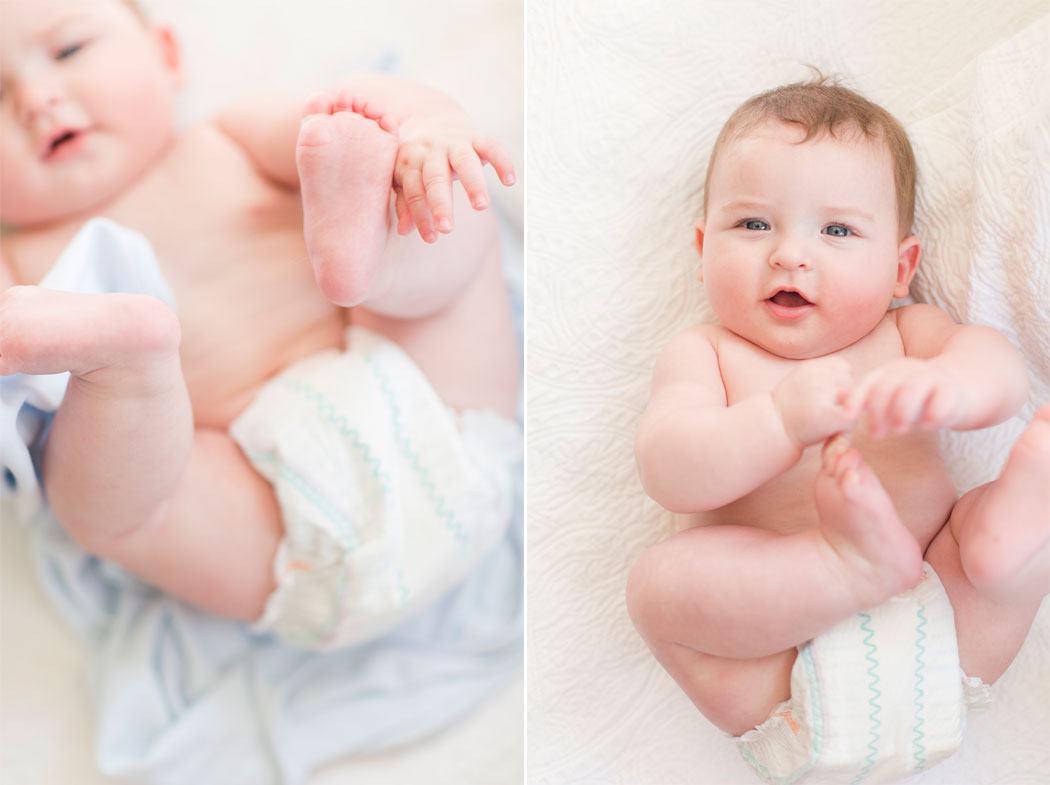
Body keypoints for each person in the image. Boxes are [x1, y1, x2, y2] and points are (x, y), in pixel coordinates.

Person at [0, 0, 520, 647]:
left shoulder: (231, 139)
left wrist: (423, 125)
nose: (36, 100)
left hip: (432, 404)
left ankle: (371, 263)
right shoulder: (16, 272)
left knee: (429, 199)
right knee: (104, 507)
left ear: (166, 54)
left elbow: (351, 112)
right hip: (265, 516)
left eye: (68, 51)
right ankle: (129, 361)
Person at [627, 77, 1049, 744]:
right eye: (754, 223)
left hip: (943, 627)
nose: (790, 252)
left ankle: (1008, 537)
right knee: (660, 585)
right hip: (779, 681)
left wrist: (955, 388)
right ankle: (841, 567)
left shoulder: (907, 334)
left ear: (900, 267)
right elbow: (668, 465)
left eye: (837, 229)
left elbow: (996, 364)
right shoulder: (704, 353)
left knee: (981, 536)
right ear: (703, 252)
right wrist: (777, 423)